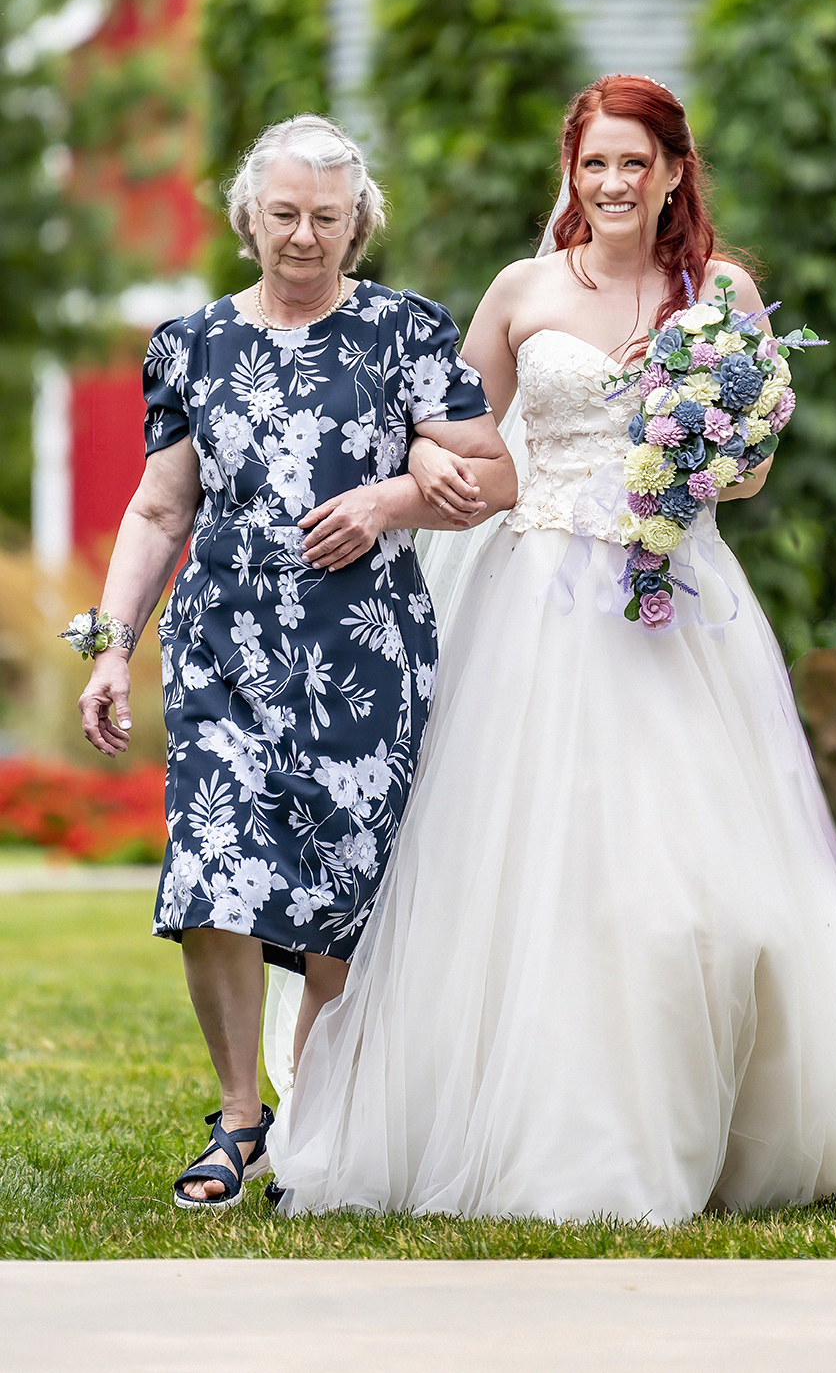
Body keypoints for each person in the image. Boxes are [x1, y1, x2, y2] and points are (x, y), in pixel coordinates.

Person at [265, 77, 836, 1221]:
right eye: (594, 163)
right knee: (533, 885)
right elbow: (462, 449)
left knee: (710, 902)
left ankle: (726, 1130)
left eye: (634, 164)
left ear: (671, 173)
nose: (612, 184)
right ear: (573, 170)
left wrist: (720, 442)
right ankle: (555, 1137)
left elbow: (747, 469)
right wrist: (409, 490)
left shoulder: (723, 295)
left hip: (682, 610)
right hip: (539, 614)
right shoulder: (520, 292)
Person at [75, 113, 516, 1209]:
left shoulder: (407, 334)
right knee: (211, 871)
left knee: (341, 897)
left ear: (357, 223)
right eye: (284, 215)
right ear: (248, 219)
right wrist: (105, 645)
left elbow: (493, 476)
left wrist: (390, 499)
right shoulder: (190, 346)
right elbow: (157, 506)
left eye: (327, 216)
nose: (305, 236)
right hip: (222, 642)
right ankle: (238, 1119)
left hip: (364, 649)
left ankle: (312, 1130)